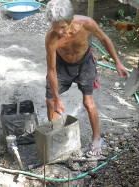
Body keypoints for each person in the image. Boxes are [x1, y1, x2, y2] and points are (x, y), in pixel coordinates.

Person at [45, 0, 128, 156]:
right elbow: (51, 69)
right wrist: (56, 98)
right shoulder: (51, 38)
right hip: (62, 64)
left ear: (70, 20)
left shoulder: (87, 24)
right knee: (50, 100)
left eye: (62, 27)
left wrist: (118, 63)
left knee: (88, 102)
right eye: (55, 28)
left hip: (85, 62)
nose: (60, 32)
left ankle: (96, 137)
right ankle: (54, 137)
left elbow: (104, 39)